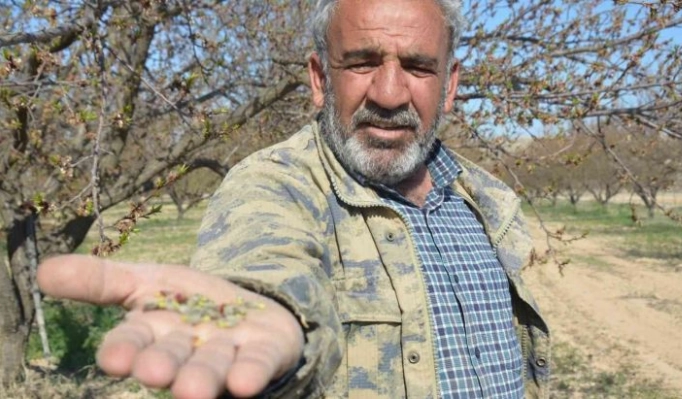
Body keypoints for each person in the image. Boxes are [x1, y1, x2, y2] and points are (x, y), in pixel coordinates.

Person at [38, 0, 550, 398]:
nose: (390, 94)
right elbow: (262, 257)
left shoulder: (487, 198)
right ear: (319, 78)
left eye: (418, 67)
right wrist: (272, 311)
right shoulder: (276, 183)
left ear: (450, 85)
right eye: (362, 62)